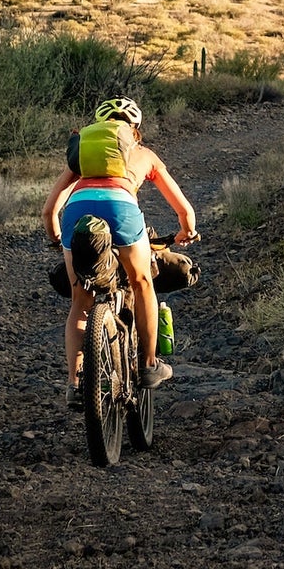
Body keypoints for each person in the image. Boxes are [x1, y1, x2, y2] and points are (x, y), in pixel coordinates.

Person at [43, 97, 196, 404]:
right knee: (142, 283)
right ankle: (149, 364)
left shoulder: (84, 156)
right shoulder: (144, 154)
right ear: (134, 130)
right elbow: (184, 210)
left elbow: (49, 211)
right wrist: (186, 231)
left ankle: (75, 383)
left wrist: (58, 238)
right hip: (121, 207)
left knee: (80, 301)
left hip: (77, 211)